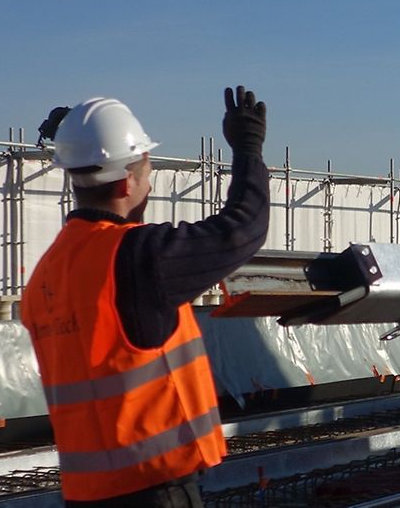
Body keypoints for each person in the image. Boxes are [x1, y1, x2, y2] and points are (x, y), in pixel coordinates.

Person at [22, 88, 270, 507]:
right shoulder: (137, 259)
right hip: (153, 490)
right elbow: (243, 228)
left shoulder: (47, 273)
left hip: (88, 494)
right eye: (147, 169)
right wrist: (248, 148)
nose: (150, 182)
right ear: (126, 180)